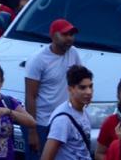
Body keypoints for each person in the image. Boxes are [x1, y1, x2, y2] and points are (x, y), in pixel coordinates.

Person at [25, 20, 83, 160]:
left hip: (64, 122)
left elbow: (80, 81)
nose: (69, 38)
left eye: (71, 34)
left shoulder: (73, 53)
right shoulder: (38, 60)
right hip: (43, 124)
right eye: (65, 34)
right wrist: (32, 131)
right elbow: (30, 96)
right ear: (52, 36)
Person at [42, 65, 95, 160]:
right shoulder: (63, 120)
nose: (89, 92)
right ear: (70, 89)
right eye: (82, 88)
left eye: (90, 86)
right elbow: (46, 157)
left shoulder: (83, 111)